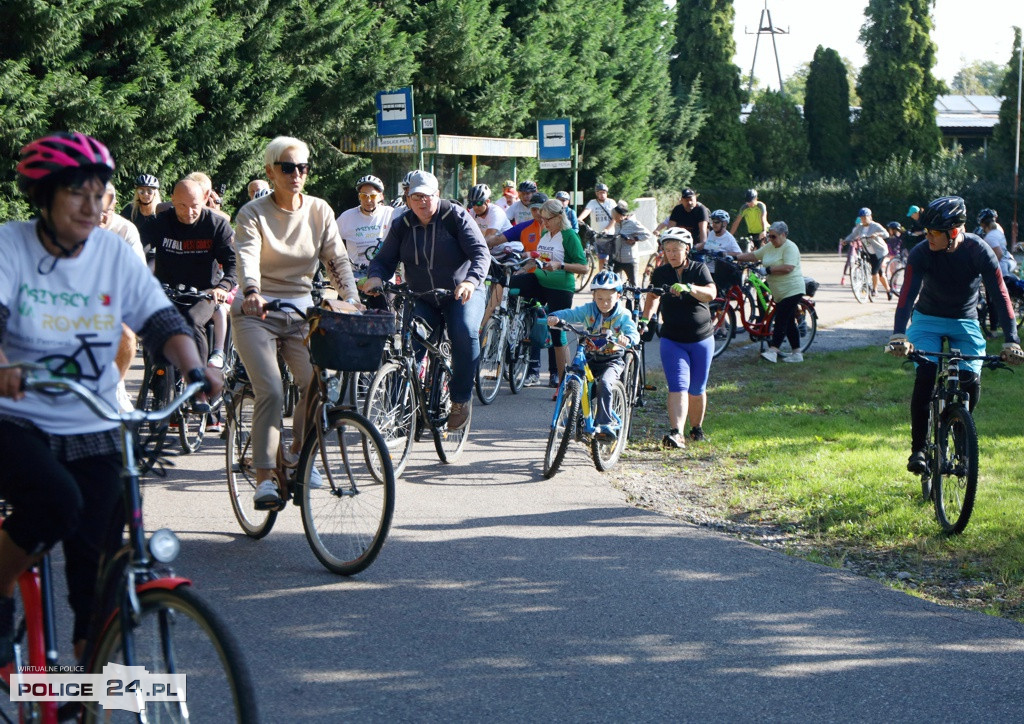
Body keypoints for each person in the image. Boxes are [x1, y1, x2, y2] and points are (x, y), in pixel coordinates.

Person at [0, 131, 220, 665]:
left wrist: (195, 366)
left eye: (98, 193)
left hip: (93, 419)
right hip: (18, 419)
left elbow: (159, 317)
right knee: (56, 502)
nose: (91, 205)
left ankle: (86, 678)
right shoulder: (10, 246)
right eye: (76, 192)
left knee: (100, 556)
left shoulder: (112, 253)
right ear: (44, 195)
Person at [234, 136, 360, 510]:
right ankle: (264, 478)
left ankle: (298, 453)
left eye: (303, 167)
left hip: (302, 313)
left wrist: (352, 299)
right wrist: (251, 290)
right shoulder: (252, 214)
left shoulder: (319, 210)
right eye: (288, 167)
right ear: (270, 171)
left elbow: (336, 259)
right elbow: (247, 256)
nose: (296, 174)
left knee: (321, 383)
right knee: (271, 390)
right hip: (257, 312)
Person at [885, 195, 1024, 476]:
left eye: (934, 232)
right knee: (926, 374)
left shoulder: (978, 250)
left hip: (965, 321)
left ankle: (962, 432)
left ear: (954, 232)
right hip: (927, 319)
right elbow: (907, 295)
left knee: (970, 380)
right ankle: (919, 449)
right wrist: (899, 334)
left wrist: (1012, 339)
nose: (928, 236)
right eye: (926, 231)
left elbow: (1000, 295)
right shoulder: (922, 252)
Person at [364, 170, 490, 431]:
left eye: (427, 196)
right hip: (422, 296)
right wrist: (375, 277)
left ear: (437, 195)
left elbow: (480, 252)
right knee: (408, 345)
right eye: (416, 197)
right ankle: (398, 410)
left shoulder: (454, 216)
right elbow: (383, 259)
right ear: (408, 199)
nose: (422, 202)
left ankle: (460, 399)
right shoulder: (403, 224)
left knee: (464, 332)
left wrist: (471, 281)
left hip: (461, 292)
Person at [639, 227, 716, 448]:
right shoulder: (661, 272)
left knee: (697, 388)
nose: (671, 254)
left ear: (687, 250)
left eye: (676, 249)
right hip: (672, 339)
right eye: (668, 249)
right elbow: (653, 297)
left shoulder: (699, 269)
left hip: (701, 338)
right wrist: (645, 320)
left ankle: (696, 429)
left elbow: (711, 293)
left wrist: (689, 288)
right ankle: (676, 433)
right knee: (678, 385)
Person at [150, 178, 238, 367]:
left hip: (204, 293)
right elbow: (136, 250)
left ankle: (199, 380)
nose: (189, 212)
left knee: (191, 321)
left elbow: (233, 264)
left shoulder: (216, 225)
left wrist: (223, 287)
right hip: (166, 291)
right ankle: (156, 376)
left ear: (205, 199)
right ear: (172, 200)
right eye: (182, 205)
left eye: (194, 206)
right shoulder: (161, 223)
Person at [505, 199, 589, 390]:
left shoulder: (569, 236)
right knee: (509, 282)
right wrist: (524, 268)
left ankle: (563, 384)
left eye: (547, 219)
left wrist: (560, 265)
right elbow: (540, 259)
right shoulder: (545, 233)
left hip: (560, 287)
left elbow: (583, 267)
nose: (543, 223)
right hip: (540, 281)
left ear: (559, 217)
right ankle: (511, 324)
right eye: (542, 219)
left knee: (558, 334)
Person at [547, 271, 639, 441]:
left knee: (605, 383)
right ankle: (575, 415)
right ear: (593, 296)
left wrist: (628, 338)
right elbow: (571, 314)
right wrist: (555, 317)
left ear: (618, 296)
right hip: (590, 357)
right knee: (579, 382)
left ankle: (605, 424)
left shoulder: (623, 315)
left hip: (612, 360)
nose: (604, 303)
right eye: (600, 299)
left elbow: (633, 332)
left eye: (609, 299)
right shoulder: (588, 310)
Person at [98, 183, 146, 413]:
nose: (99, 216)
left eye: (105, 210)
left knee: (125, 332)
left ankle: (116, 383)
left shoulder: (125, 230)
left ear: (115, 205)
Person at [736, 221, 806, 363]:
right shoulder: (769, 246)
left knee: (781, 319)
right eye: (769, 236)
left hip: (792, 289)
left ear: (783, 235)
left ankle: (773, 351)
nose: (770, 239)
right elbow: (754, 255)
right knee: (789, 322)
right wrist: (735, 257)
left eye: (773, 236)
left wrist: (768, 270)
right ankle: (797, 354)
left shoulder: (790, 247)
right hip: (779, 292)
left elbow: (788, 267)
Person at [336, 174, 394, 275]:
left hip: (384, 272)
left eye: (373, 196)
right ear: (359, 197)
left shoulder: (390, 213)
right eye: (364, 196)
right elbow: (328, 240)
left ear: (381, 196)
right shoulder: (347, 217)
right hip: (357, 273)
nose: (368, 200)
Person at [843, 207, 893, 300]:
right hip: (870, 252)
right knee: (879, 273)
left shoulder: (875, 226)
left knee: (874, 271)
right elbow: (853, 235)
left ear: (870, 217)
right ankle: (888, 290)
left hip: (880, 252)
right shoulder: (860, 227)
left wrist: (877, 234)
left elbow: (886, 234)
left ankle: (875, 290)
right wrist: (846, 240)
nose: (863, 219)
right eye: (862, 218)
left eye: (865, 217)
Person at [608, 200, 651, 286]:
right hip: (617, 259)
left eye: (615, 217)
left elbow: (647, 234)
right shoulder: (617, 223)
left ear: (621, 216)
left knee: (633, 285)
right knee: (610, 281)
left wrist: (634, 239)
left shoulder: (633, 223)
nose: (614, 220)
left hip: (630, 260)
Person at [121, 173, 162, 264]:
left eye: (149, 191)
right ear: (137, 193)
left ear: (155, 193)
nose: (145, 194)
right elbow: (118, 227)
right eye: (141, 191)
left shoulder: (159, 213)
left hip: (152, 256)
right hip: (131, 254)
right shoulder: (130, 210)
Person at [977, 208, 1016, 276]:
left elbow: (999, 255)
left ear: (983, 224)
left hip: (1002, 265)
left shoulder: (990, 236)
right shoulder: (998, 230)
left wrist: (987, 268)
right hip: (1008, 259)